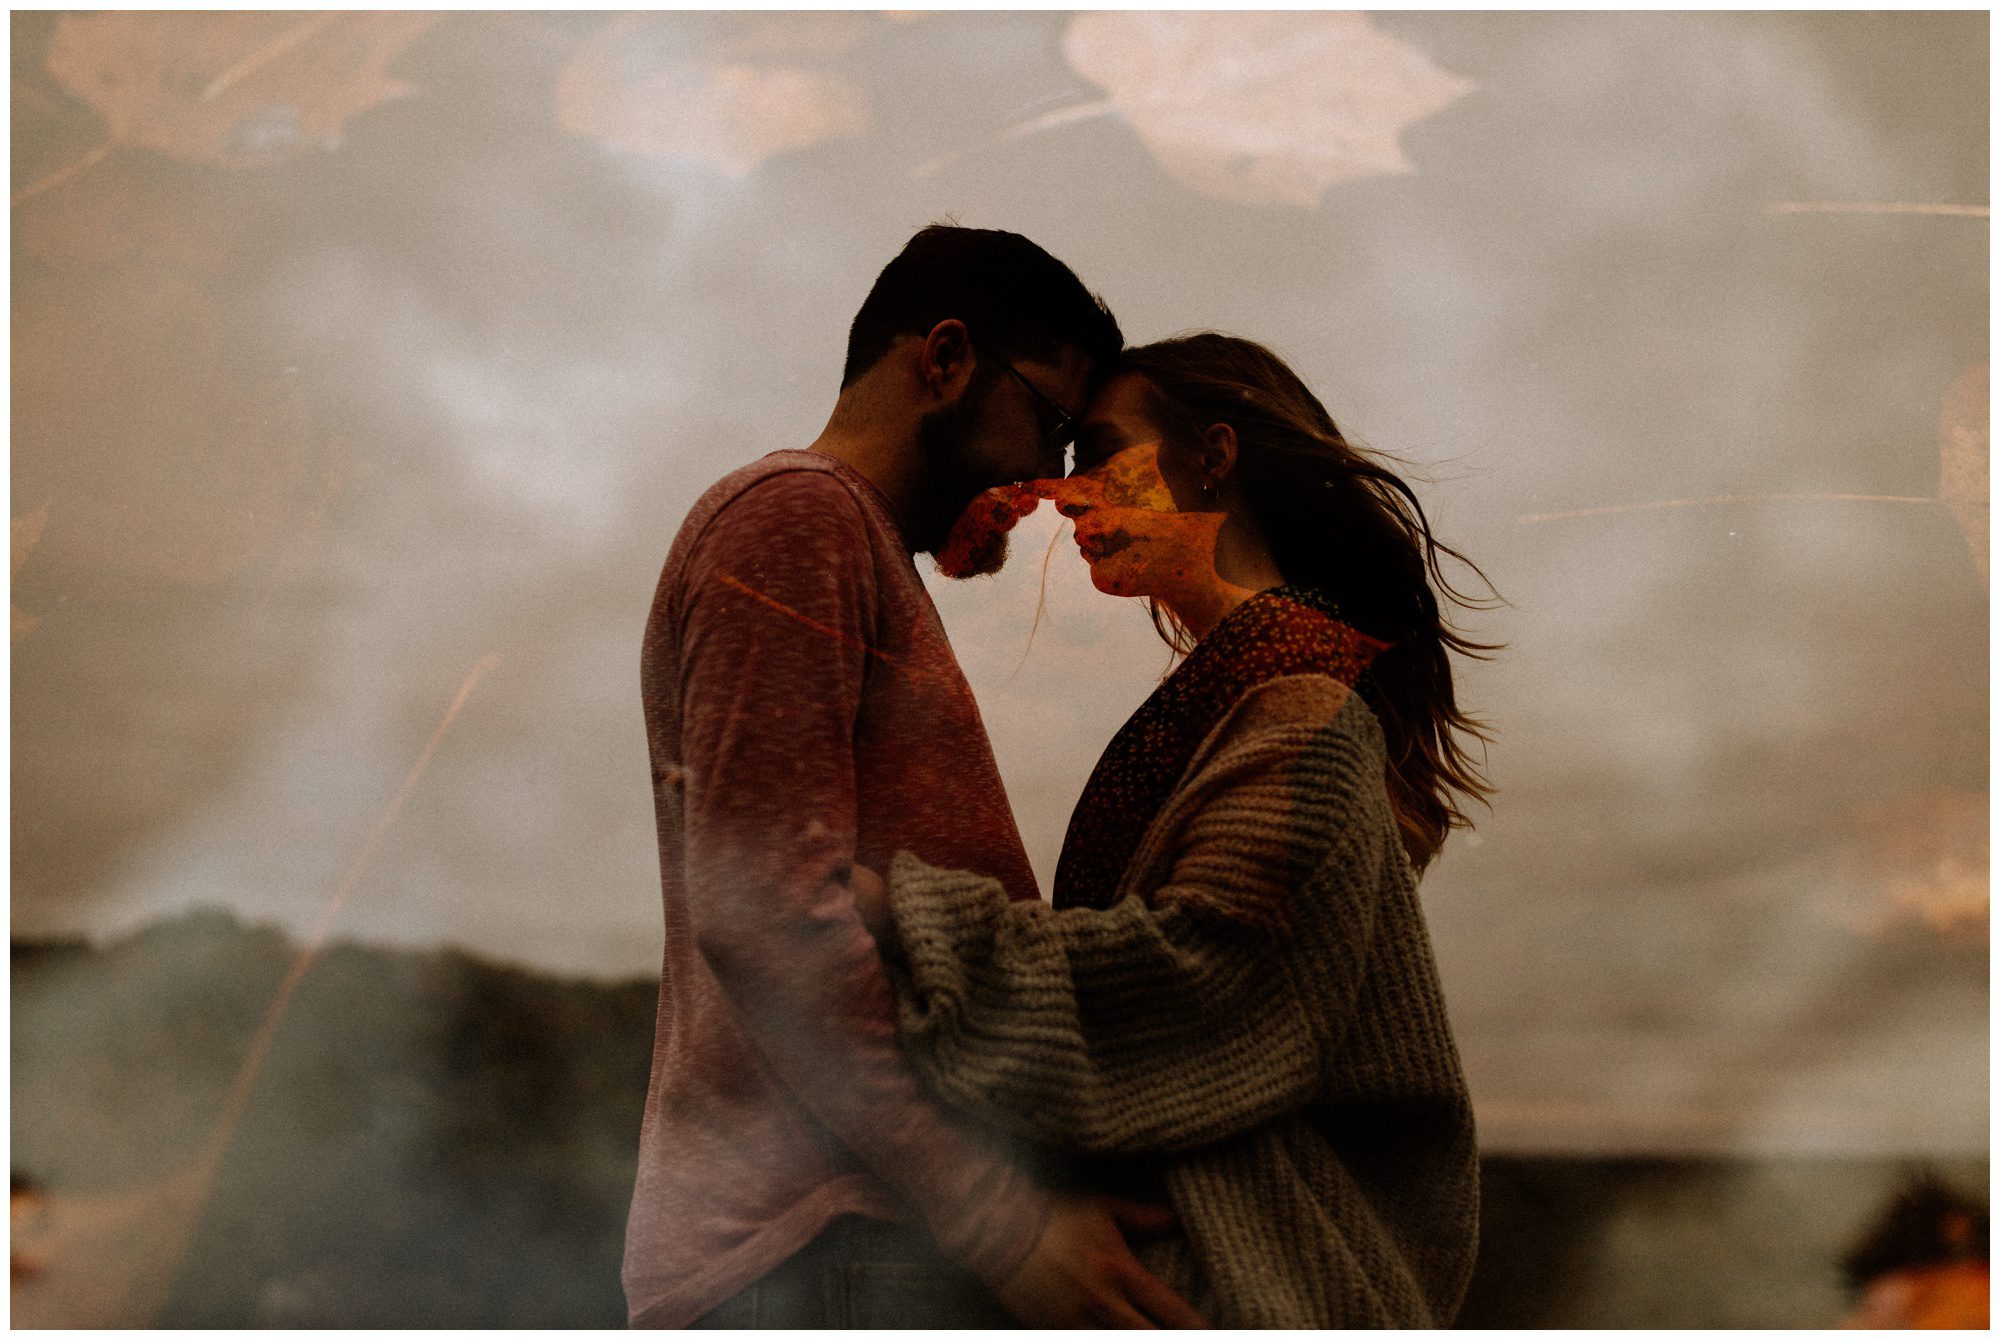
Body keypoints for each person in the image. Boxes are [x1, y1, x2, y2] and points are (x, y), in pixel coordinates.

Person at [849, 332, 1497, 1327]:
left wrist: (909, 917)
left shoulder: (1302, 704)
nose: (1068, 499)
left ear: (1211, 454)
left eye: (1105, 452)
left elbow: (1208, 973)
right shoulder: (1256, 693)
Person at [622, 226, 1203, 1329]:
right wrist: (999, 1215)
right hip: (831, 1254)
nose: (1045, 480)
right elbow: (762, 910)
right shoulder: (795, 516)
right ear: (942, 361)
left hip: (852, 1250)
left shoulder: (844, 539)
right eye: (1049, 424)